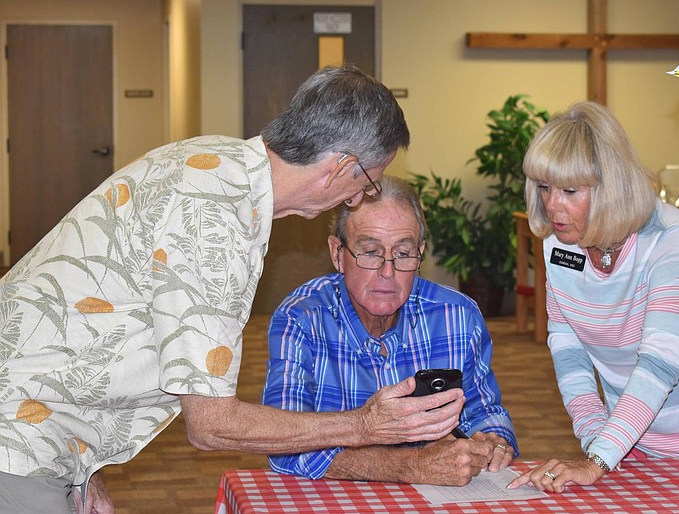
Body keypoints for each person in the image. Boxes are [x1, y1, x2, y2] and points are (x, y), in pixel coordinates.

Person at [0, 65, 466, 514]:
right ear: (341, 167)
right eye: (366, 183)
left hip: (42, 419)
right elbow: (211, 425)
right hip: (19, 438)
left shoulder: (214, 161)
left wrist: (86, 465)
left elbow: (95, 321)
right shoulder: (216, 221)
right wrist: (365, 425)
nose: (356, 199)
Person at [507, 101, 679, 493]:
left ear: (611, 186)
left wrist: (598, 459)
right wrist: (599, 442)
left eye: (569, 190)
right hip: (635, 441)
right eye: (544, 187)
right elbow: (568, 350)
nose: (552, 205)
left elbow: (660, 363)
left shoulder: (673, 241)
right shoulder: (558, 242)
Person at [262, 176, 517, 486]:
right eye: (370, 252)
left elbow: (485, 410)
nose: (388, 271)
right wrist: (410, 466)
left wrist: (494, 441)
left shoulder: (457, 316)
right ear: (337, 254)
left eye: (403, 253)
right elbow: (281, 443)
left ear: (420, 252)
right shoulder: (302, 319)